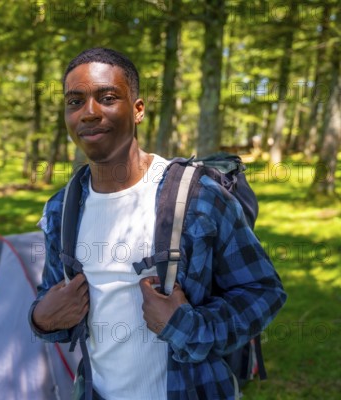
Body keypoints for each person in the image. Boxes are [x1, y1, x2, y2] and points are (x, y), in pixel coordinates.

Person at [29, 47, 286, 400]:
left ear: (138, 110)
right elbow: (54, 304)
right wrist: (41, 319)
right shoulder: (63, 207)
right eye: (75, 102)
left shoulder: (197, 196)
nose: (88, 113)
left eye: (107, 98)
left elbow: (263, 291)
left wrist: (187, 328)